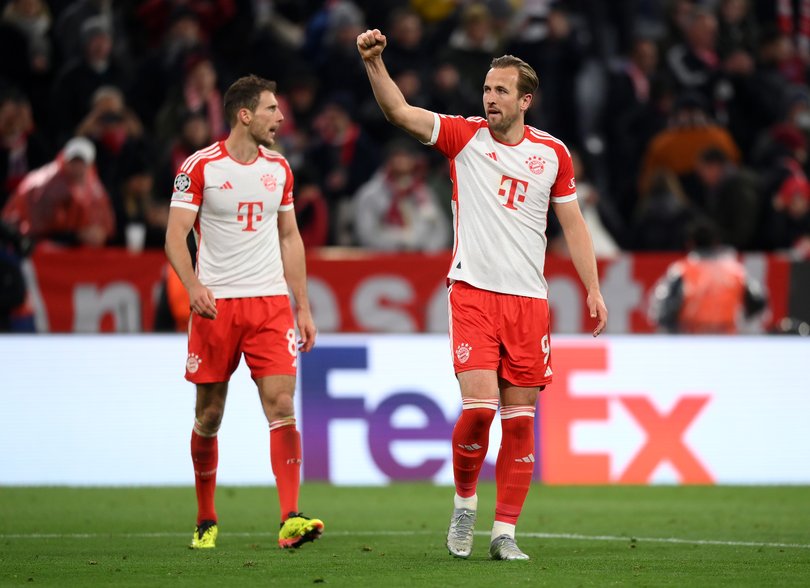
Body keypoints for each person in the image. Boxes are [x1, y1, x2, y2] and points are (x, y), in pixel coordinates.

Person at [357, 29, 608, 561]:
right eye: (486, 88)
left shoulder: (553, 155)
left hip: (528, 304)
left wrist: (592, 288)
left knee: (520, 425)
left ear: (524, 100)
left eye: (500, 90)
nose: (489, 98)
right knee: (479, 411)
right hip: (473, 293)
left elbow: (575, 225)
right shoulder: (463, 137)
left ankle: (505, 534)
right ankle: (465, 502)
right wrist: (375, 63)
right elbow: (400, 112)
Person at [164, 74, 323, 550]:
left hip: (271, 305)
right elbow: (175, 236)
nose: (281, 117)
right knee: (209, 414)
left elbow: (290, 237)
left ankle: (290, 517)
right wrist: (193, 286)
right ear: (245, 115)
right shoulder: (201, 167)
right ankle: (206, 517)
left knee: (281, 405)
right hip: (217, 307)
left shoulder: (280, 169)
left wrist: (304, 307)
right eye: (272, 109)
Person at [648, 218, 767, 334]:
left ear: (690, 243)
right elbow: (758, 302)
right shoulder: (735, 271)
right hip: (727, 341)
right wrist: (742, 322)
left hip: (690, 341)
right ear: (716, 242)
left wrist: (675, 332)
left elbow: (662, 311)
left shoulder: (681, 271)